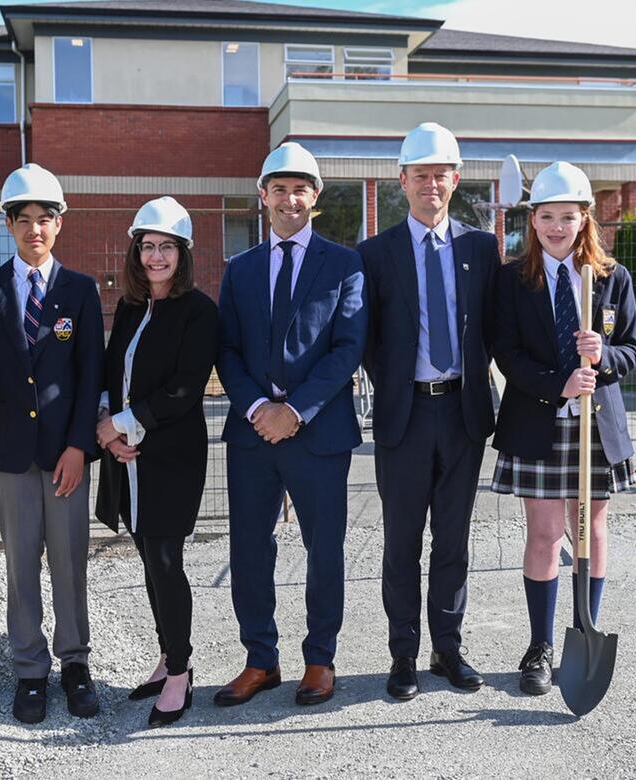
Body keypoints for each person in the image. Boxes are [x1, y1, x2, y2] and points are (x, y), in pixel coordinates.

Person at [213, 142, 367, 708]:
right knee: (251, 548)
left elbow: (347, 347)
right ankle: (260, 660)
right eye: (279, 187)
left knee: (324, 548)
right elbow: (225, 349)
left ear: (315, 197)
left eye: (300, 187)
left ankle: (319, 660)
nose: (289, 197)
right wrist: (258, 409)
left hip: (318, 432)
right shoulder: (241, 269)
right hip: (252, 434)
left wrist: (295, 411)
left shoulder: (345, 264)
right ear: (263, 196)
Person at [0, 163, 105, 724]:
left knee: (69, 562)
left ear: (59, 225)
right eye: (24, 220)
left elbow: (91, 376)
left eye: (45, 219)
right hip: (11, 453)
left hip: (64, 453)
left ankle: (75, 665)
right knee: (21, 563)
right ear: (9, 226)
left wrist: (78, 447)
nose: (35, 230)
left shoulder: (80, 292)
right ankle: (29, 672)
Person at [357, 123, 499, 700]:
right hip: (405, 416)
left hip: (462, 414)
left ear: (455, 179)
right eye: (420, 175)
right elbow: (364, 335)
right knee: (401, 542)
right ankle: (403, 655)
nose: (431, 184)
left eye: (441, 174)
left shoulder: (481, 249)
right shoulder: (375, 253)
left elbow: (498, 325)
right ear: (403, 181)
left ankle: (448, 648)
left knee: (453, 540)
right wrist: (390, 383)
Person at [490, 161, 636, 697]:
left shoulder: (609, 277)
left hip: (595, 430)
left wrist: (603, 360)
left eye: (568, 216)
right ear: (533, 221)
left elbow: (633, 350)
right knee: (544, 534)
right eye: (547, 216)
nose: (557, 226)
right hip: (540, 422)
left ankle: (586, 630)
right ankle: (540, 645)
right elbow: (504, 352)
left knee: (590, 533)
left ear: (585, 219)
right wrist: (559, 383)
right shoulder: (512, 280)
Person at [94, 196, 217, 727]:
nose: (156, 257)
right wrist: (112, 433)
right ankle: (167, 653)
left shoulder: (200, 312)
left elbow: (185, 389)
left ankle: (182, 673)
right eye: (148, 246)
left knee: (166, 560)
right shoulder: (127, 307)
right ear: (136, 251)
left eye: (167, 247)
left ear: (183, 253)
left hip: (171, 456)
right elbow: (109, 375)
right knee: (147, 556)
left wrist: (120, 425)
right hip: (129, 457)